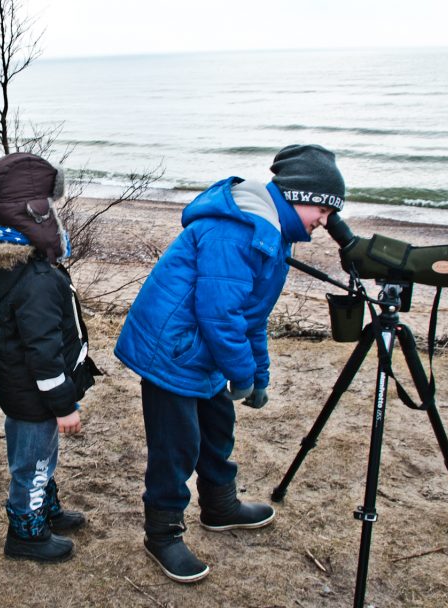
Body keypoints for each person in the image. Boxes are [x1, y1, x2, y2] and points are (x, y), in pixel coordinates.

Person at [114, 144, 346, 583]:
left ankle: (219, 506)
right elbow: (219, 314)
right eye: (324, 210)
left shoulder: (269, 232)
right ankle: (162, 534)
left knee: (217, 426)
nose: (326, 222)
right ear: (299, 196)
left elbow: (250, 315)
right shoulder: (239, 230)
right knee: (175, 444)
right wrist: (241, 372)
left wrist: (257, 374)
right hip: (173, 350)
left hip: (200, 348)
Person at [0, 153, 99, 562]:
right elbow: (44, 354)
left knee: (40, 454)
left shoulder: (9, 266)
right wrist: (64, 404)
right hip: (35, 393)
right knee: (31, 462)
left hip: (22, 387)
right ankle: (25, 532)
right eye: (48, 209)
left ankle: (43, 506)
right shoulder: (34, 280)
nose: (54, 217)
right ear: (32, 216)